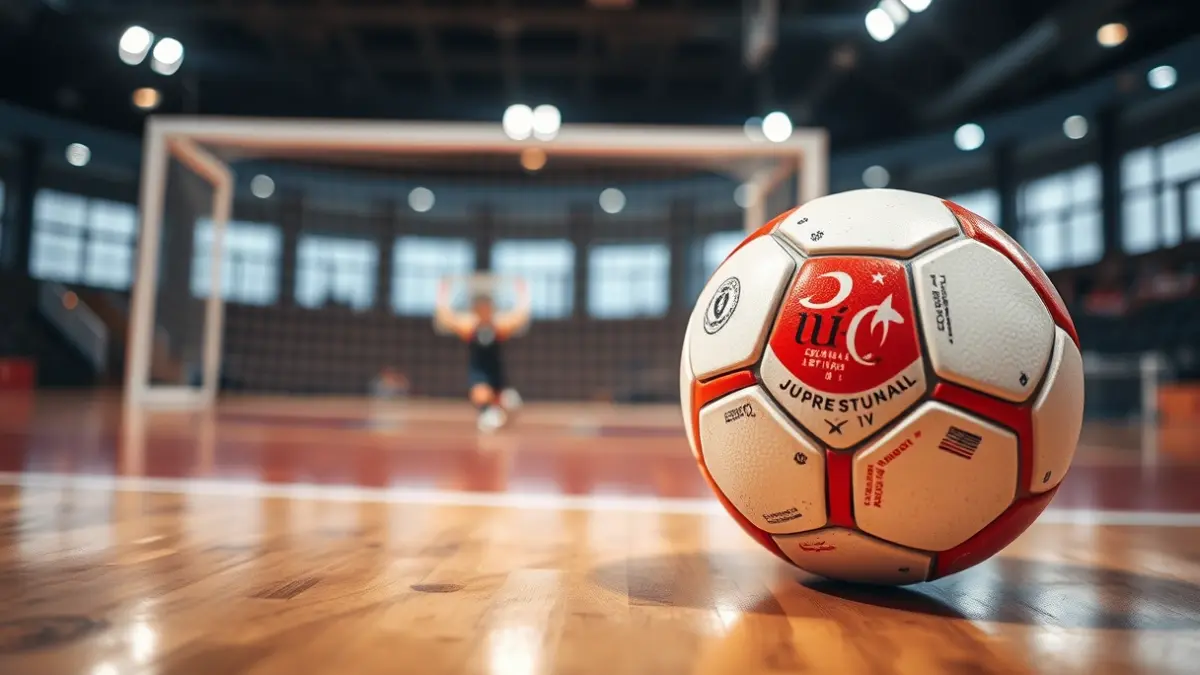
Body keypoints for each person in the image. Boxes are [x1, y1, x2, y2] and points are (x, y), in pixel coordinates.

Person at [435, 277, 531, 432]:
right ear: (475, 309)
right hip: (478, 372)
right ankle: (487, 413)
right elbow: (447, 318)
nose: (484, 310)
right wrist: (443, 294)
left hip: (497, 374)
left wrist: (522, 293)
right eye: (480, 307)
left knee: (511, 404)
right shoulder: (470, 327)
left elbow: (520, 317)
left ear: (492, 309)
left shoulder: (499, 326)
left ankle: (498, 407)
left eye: (487, 307)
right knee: (480, 395)